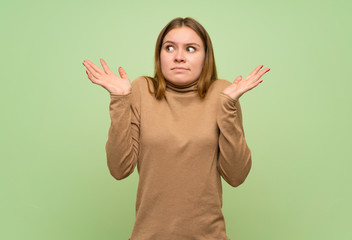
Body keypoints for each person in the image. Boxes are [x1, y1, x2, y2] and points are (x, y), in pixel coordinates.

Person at [82, 17, 270, 240]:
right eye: (169, 47)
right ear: (159, 55)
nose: (179, 57)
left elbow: (236, 176)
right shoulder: (142, 89)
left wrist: (228, 107)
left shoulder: (223, 92)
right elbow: (119, 169)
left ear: (205, 57)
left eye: (191, 49)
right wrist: (120, 99)